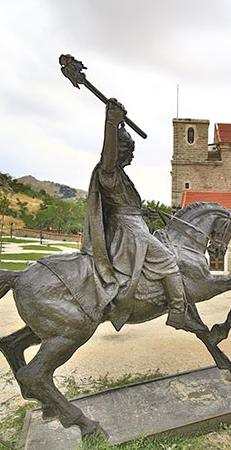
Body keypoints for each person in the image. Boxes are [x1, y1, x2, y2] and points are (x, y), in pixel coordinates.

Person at [82, 98, 205, 333]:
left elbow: (124, 205)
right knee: (169, 260)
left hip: (134, 223)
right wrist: (111, 123)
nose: (132, 155)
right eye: (128, 150)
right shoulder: (108, 172)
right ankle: (178, 311)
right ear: (116, 151)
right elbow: (107, 157)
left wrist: (143, 212)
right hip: (127, 232)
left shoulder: (120, 175)